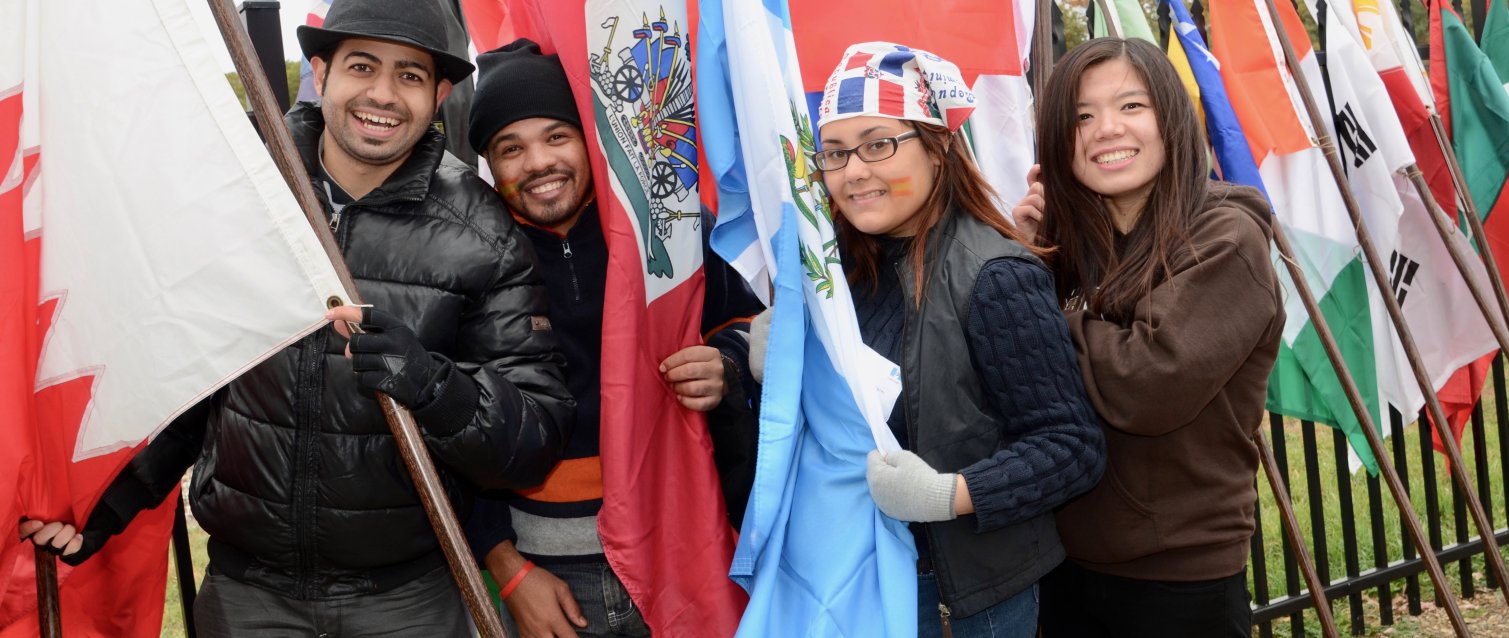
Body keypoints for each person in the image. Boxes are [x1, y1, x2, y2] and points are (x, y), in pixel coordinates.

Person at [18, 1, 574, 636]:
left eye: (410, 75)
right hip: (247, 596)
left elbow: (534, 438)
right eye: (362, 65)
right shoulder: (240, 197)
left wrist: (433, 386)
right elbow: (188, 377)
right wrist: (106, 502)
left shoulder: (483, 235)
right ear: (321, 70)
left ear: (440, 93)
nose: (383, 94)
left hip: (408, 597)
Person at [461, 39, 764, 638]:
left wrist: (725, 365)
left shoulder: (668, 226)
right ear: (490, 166)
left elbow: (746, 326)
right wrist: (506, 566)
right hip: (547, 574)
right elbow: (449, 424)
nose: (538, 162)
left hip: (684, 541)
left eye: (556, 136)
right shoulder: (467, 254)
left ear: (590, 139)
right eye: (510, 148)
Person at [813, 42, 1106, 637]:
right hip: (866, 577)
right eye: (836, 154)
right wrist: (750, 358)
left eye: (878, 144)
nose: (854, 171)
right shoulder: (837, 272)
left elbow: (1073, 445)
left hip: (970, 600)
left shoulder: (995, 275)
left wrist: (954, 494)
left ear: (938, 149)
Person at [1022, 38, 1285, 637]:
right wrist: (1023, 260)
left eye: (1131, 107)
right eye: (1082, 116)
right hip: (1062, 566)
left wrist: (1033, 308)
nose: (1105, 130)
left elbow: (1147, 383)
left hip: (1177, 580)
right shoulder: (1067, 245)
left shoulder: (1224, 238)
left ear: (1170, 117)